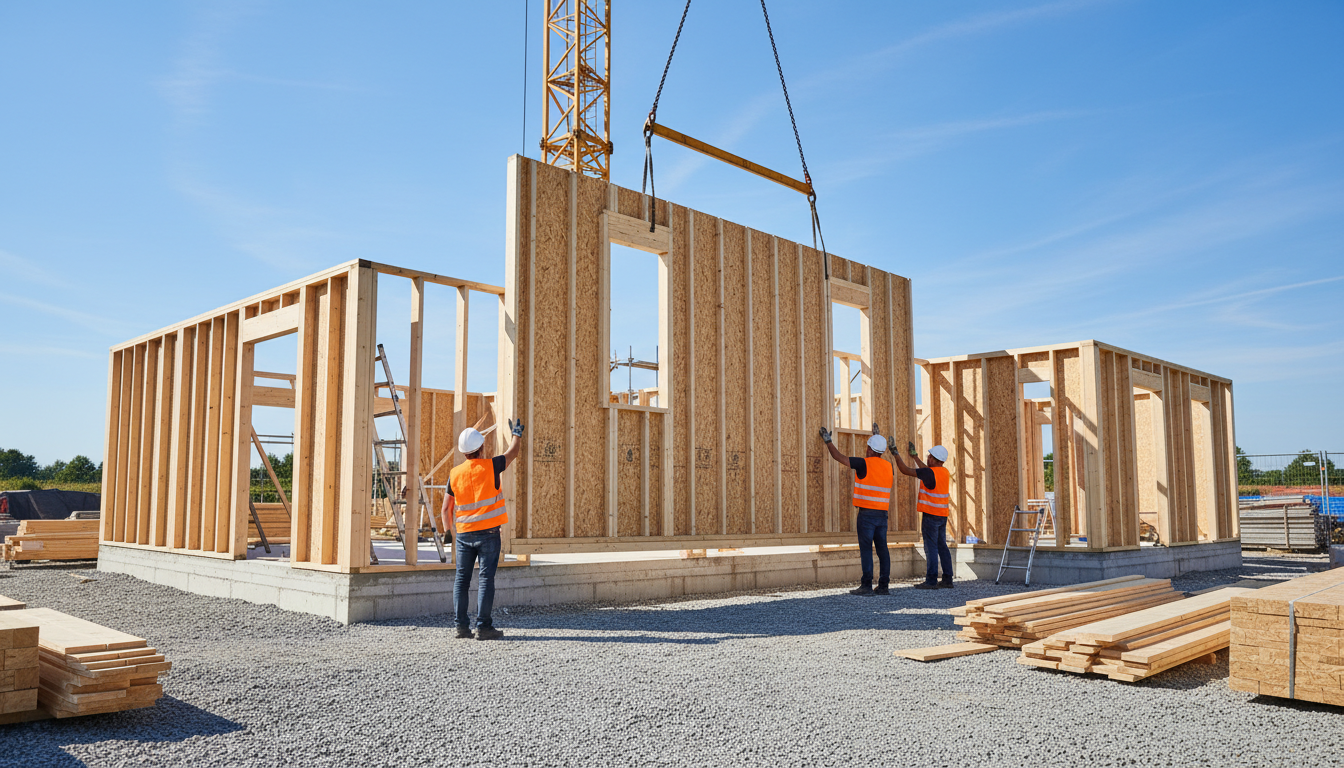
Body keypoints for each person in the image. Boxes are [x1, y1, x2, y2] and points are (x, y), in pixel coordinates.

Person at [440, 418, 525, 640]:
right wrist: (516, 433)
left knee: (462, 580)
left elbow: (445, 509)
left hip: (464, 535)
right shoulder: (492, 466)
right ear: (481, 448)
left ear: (463, 452)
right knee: (486, 579)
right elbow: (513, 452)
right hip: (489, 535)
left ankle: (461, 627)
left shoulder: (454, 474)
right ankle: (484, 628)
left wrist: (449, 532)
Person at [820, 423, 893, 596]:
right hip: (882, 515)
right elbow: (877, 469)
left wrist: (828, 441)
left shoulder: (863, 463)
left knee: (866, 549)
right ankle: (884, 586)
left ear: (869, 448)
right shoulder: (888, 466)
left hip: (866, 515)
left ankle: (866, 585)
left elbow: (839, 457)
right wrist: (877, 436)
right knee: (883, 549)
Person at [891, 441, 953, 589]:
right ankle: (947, 579)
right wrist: (915, 457)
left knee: (930, 547)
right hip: (942, 515)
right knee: (942, 546)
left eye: (929, 457)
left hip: (931, 515)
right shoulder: (944, 472)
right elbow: (927, 470)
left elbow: (905, 470)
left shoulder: (929, 472)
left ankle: (931, 581)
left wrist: (895, 454)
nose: (927, 458)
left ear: (935, 460)